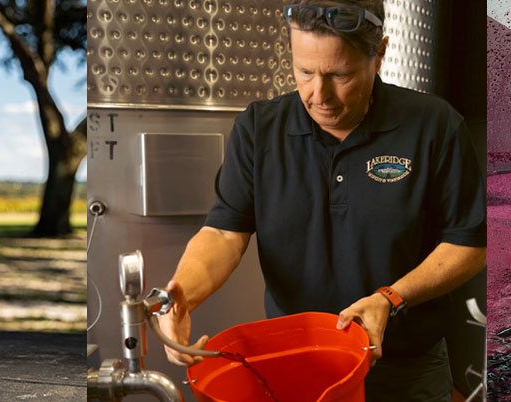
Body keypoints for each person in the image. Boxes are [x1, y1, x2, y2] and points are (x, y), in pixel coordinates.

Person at [156, 1, 485, 401]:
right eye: (304, 72)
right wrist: (183, 296)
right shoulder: (259, 129)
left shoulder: (435, 125)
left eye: (339, 75)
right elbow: (225, 233)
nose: (319, 95)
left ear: (378, 54)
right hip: (297, 366)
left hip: (406, 368)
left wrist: (390, 299)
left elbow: (469, 243)